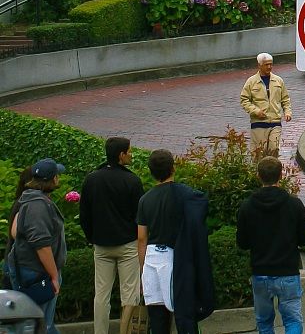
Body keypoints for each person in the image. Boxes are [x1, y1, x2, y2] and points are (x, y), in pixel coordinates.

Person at [137, 150, 214, 334]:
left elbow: (141, 238)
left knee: (157, 319)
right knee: (184, 315)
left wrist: (142, 270)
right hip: (178, 260)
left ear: (151, 172)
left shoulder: (145, 200)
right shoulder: (187, 195)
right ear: (173, 168)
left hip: (152, 260)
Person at [236, 156, 305, 334]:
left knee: (264, 322)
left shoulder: (247, 207)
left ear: (258, 176)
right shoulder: (294, 204)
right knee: (293, 320)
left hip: (260, 273)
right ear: (281, 175)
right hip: (288, 272)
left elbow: (242, 243)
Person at [81, 137, 145, 334]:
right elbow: (139, 216)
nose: (131, 155)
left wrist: (92, 237)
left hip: (101, 245)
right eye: (129, 151)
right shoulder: (132, 180)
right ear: (121, 155)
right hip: (127, 244)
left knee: (101, 294)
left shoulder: (92, 179)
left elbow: (85, 215)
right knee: (130, 294)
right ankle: (125, 331)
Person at [8, 158, 67, 332]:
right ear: (53, 179)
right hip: (37, 273)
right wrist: (54, 276)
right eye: (57, 175)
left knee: (40, 323)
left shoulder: (29, 199)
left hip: (33, 270)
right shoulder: (37, 205)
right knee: (40, 325)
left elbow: (15, 232)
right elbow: (41, 245)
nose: (59, 179)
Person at [240, 53, 292, 158]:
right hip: (258, 123)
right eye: (266, 64)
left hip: (275, 122)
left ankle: (273, 173)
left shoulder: (278, 80)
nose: (269, 67)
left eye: (271, 64)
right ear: (259, 65)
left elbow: (285, 99)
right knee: (258, 153)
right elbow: (244, 100)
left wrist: (287, 112)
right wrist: (255, 111)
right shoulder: (251, 82)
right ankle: (258, 173)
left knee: (274, 150)